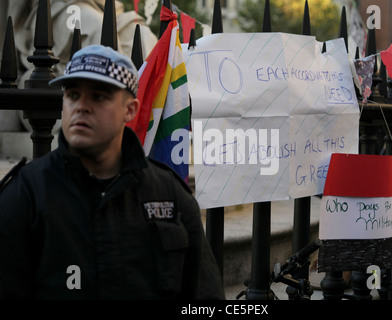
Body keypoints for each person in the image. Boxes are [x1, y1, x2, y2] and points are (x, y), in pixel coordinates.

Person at [0, 44, 224, 300]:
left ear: (130, 110)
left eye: (98, 96)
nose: (81, 106)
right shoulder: (25, 194)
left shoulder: (170, 194)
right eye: (72, 95)